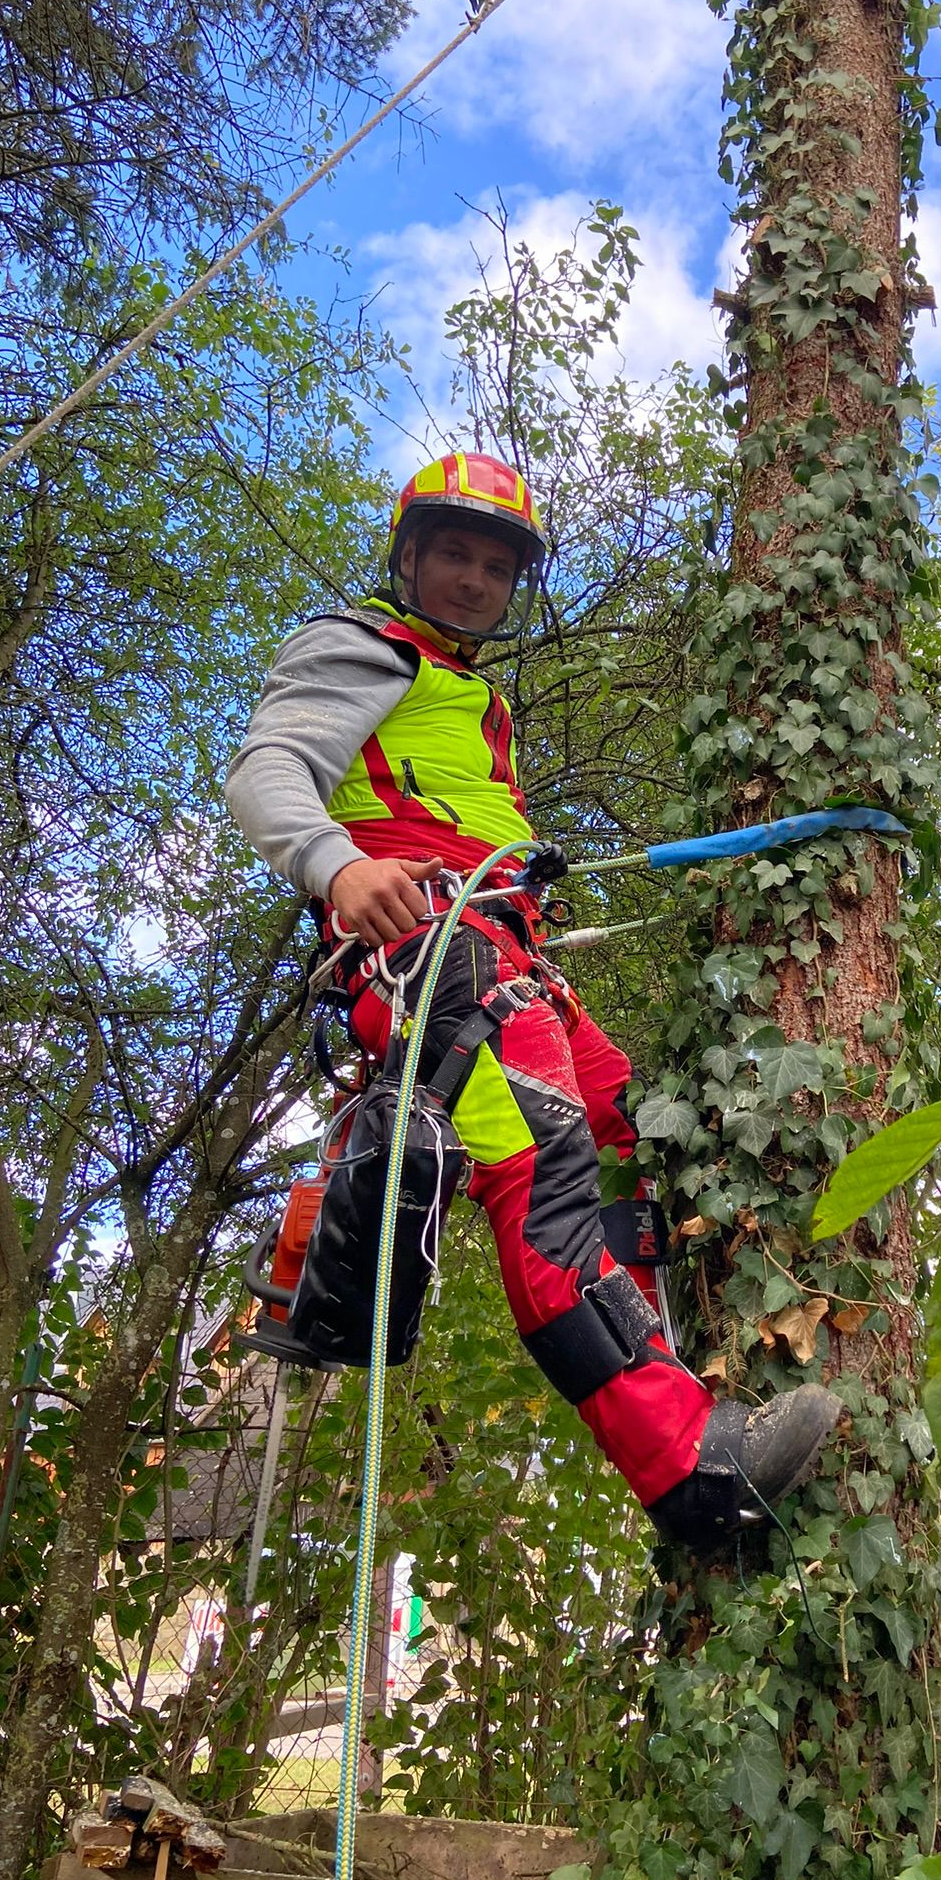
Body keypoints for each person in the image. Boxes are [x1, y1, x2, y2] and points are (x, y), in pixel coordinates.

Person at [226, 449, 840, 1551]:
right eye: (451, 553)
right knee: (543, 1178)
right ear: (408, 557)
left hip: (504, 962)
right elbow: (267, 769)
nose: (471, 578)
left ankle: (688, 1375)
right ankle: (692, 1469)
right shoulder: (361, 646)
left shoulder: (472, 696)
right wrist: (336, 864)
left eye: (495, 564)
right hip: (428, 958)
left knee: (638, 1134)